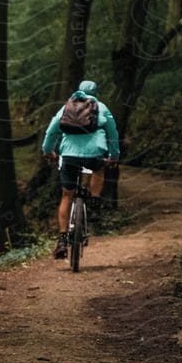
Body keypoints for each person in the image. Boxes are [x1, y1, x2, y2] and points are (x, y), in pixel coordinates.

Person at [42, 78, 121, 260]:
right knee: (98, 169)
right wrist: (114, 156)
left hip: (69, 156)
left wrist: (48, 151)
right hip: (94, 155)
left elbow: (52, 130)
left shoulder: (67, 106)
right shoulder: (101, 107)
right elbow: (112, 133)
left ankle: (62, 240)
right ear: (96, 92)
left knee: (66, 195)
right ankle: (94, 200)